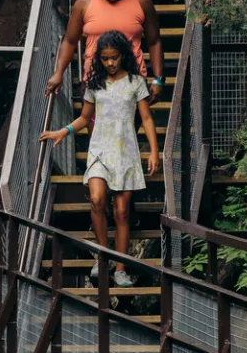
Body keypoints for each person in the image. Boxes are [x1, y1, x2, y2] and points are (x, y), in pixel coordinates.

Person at [40, 30, 159, 287]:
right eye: (105, 59)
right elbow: (85, 118)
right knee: (96, 200)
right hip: (99, 151)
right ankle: (102, 257)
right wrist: (64, 130)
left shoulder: (136, 83)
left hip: (125, 152)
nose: (110, 63)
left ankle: (120, 268)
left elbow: (147, 119)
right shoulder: (94, 84)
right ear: (99, 59)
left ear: (123, 56)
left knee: (122, 211)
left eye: (114, 58)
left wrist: (154, 151)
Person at [46, 0, 166, 101]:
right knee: (95, 125)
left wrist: (158, 79)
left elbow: (154, 42)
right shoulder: (84, 3)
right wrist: (58, 73)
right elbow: (70, 41)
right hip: (95, 83)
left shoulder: (142, 2)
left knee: (129, 125)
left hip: (133, 83)